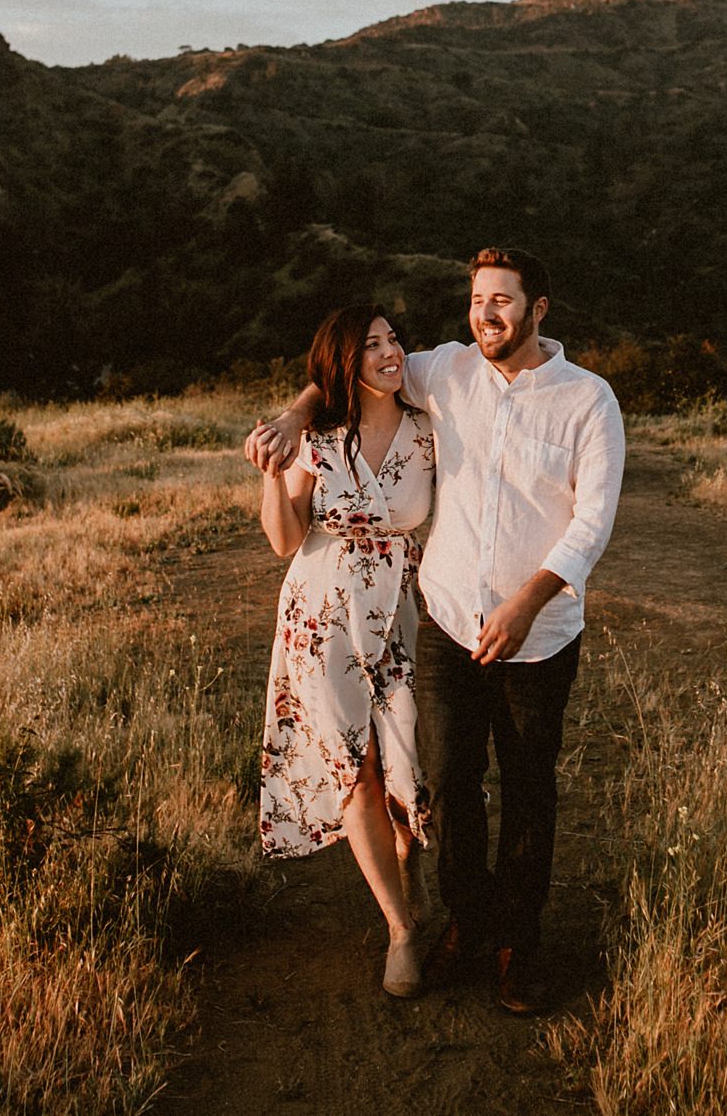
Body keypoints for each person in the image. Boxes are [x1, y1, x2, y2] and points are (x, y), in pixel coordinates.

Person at [248, 248, 624, 1015]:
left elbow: (592, 522)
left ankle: (519, 941)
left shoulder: (588, 401)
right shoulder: (447, 371)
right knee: (445, 783)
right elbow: (346, 362)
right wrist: (291, 415)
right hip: (446, 622)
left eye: (502, 301)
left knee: (526, 786)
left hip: (539, 631)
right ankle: (466, 921)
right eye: (477, 299)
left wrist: (527, 602)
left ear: (538, 309)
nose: (486, 314)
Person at [256, 304, 437, 997]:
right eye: (373, 345)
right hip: (322, 616)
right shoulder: (319, 438)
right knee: (354, 771)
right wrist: (273, 473)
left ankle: (406, 857)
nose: (392, 353)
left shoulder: (428, 430)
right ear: (345, 361)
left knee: (411, 763)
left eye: (395, 339)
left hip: (401, 612)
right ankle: (400, 928)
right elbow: (283, 539)